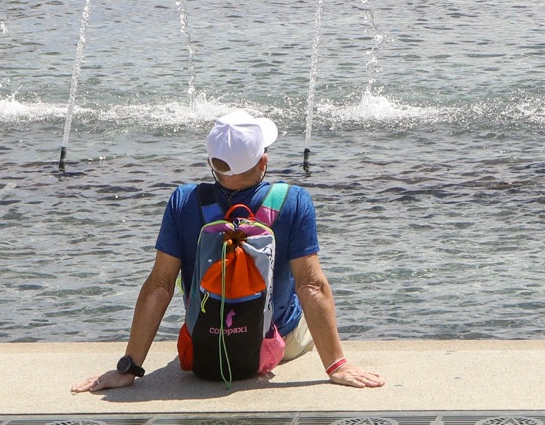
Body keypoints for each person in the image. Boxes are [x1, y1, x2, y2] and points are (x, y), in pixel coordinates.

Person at [72, 110, 383, 393]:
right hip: (275, 345)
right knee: (301, 310)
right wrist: (337, 365)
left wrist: (129, 367)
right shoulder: (294, 201)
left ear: (212, 164)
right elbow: (311, 287)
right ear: (263, 162)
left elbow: (160, 286)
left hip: (203, 348)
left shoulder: (183, 201)